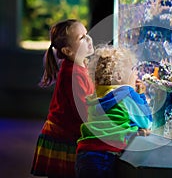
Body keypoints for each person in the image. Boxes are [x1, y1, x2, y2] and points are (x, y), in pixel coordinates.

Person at [75, 45, 152, 178]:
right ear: (119, 75)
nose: (136, 74)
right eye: (133, 70)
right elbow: (146, 121)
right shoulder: (127, 93)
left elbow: (115, 119)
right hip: (106, 155)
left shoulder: (96, 95)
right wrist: (141, 96)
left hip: (85, 152)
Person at [31, 19, 95, 178]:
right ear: (67, 51)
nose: (88, 39)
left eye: (87, 34)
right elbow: (83, 111)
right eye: (82, 38)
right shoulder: (72, 75)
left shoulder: (81, 66)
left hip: (70, 133)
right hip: (63, 138)